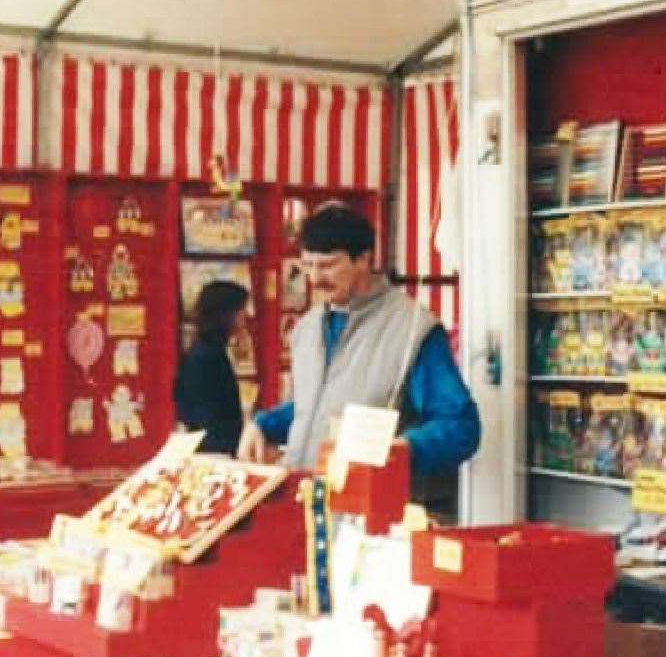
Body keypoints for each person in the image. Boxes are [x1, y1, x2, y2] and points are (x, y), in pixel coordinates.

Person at [237, 204, 480, 494]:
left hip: (376, 514)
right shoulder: (306, 328)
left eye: (328, 265)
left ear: (364, 260)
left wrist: (401, 449)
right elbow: (315, 404)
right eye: (308, 265)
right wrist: (265, 425)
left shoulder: (413, 329)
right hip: (306, 506)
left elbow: (461, 425)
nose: (315, 279)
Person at [175, 280, 248, 455]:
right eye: (241, 309)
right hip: (212, 453)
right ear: (225, 314)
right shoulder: (207, 357)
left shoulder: (207, 350)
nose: (246, 315)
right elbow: (208, 420)